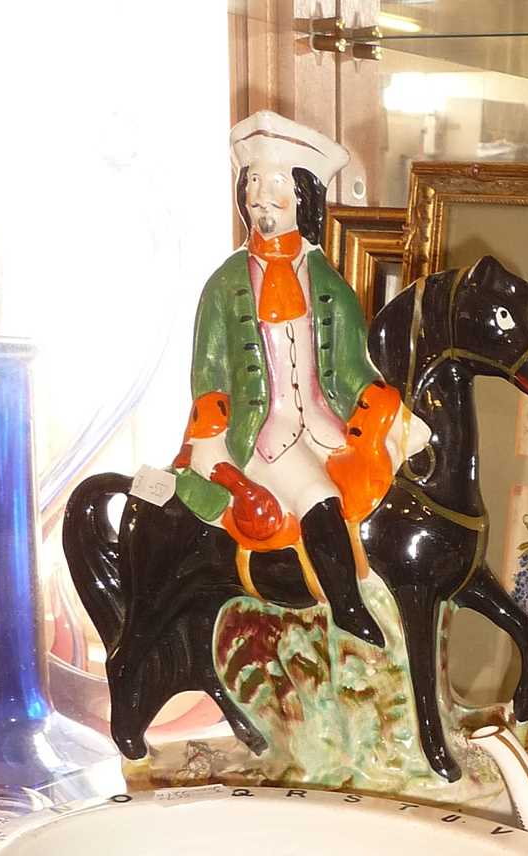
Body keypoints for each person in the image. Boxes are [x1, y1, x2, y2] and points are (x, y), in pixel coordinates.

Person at [172, 111, 430, 646]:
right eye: (254, 184)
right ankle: (348, 609)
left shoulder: (327, 283)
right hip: (266, 434)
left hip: (322, 422)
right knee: (318, 497)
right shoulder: (224, 285)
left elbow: (355, 366)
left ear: (304, 197)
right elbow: (209, 372)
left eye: (276, 185)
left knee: (396, 473)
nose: (262, 198)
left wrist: (385, 405)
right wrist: (209, 445)